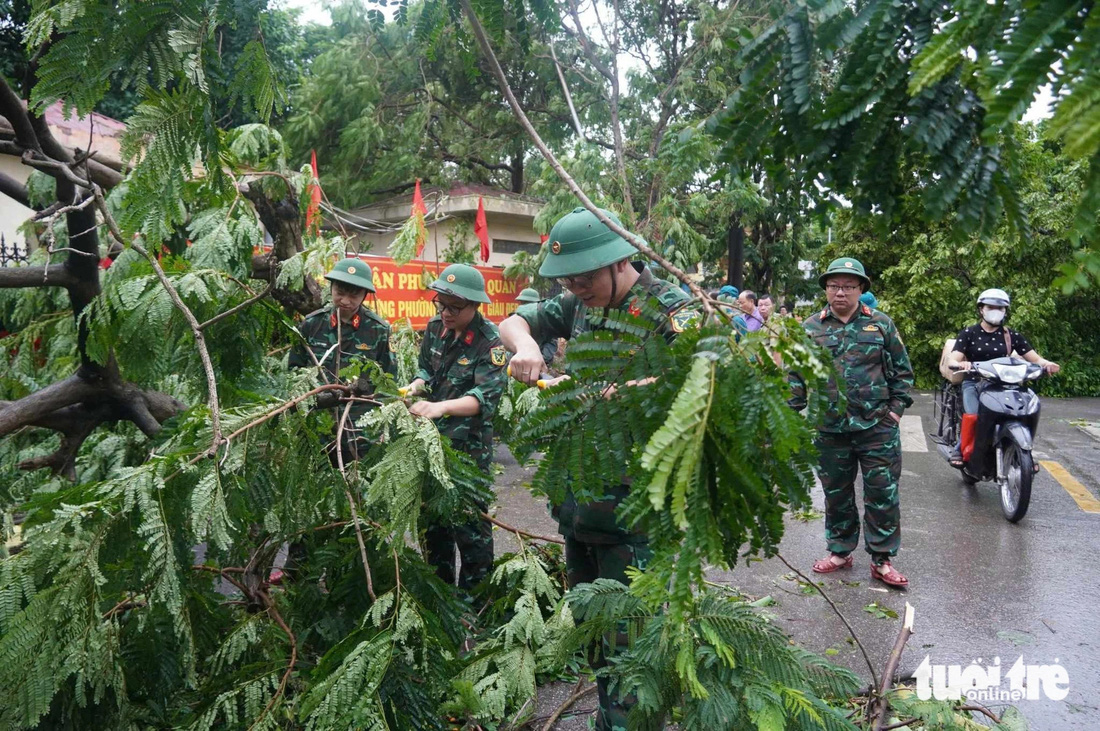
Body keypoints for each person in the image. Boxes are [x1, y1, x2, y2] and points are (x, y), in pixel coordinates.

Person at [499, 206, 695, 731]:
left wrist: (605, 395)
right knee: (595, 633)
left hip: (638, 514)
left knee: (635, 646)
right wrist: (525, 349)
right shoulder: (577, 303)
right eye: (568, 278)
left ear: (622, 259)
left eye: (584, 277)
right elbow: (514, 319)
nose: (575, 287)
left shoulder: (669, 309)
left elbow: (702, 380)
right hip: (583, 505)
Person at [789, 257, 913, 589]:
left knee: (882, 493)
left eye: (848, 286)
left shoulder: (882, 325)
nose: (840, 292)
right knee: (836, 493)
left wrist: (895, 412)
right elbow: (795, 377)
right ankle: (840, 550)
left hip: (876, 427)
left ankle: (882, 560)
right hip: (829, 428)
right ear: (826, 289)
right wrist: (790, 417)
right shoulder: (809, 328)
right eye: (834, 285)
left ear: (861, 289)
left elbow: (902, 372)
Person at [402, 264, 508, 592]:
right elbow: (425, 367)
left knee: (471, 528)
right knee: (433, 526)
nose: (445, 313)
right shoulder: (435, 328)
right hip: (431, 443)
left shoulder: (491, 343)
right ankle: (442, 598)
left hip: (468, 449)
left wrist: (440, 407)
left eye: (454, 307)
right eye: (440, 303)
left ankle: (476, 603)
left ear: (475, 306)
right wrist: (418, 384)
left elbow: (484, 397)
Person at [289, 257, 395, 458]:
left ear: (365, 295)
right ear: (331, 288)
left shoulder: (378, 330)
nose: (345, 301)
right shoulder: (312, 324)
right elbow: (294, 371)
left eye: (354, 295)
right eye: (340, 292)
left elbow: (389, 384)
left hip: (360, 433)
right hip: (317, 426)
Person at [946, 288, 1059, 465]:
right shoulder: (969, 333)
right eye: (991, 307)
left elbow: (1035, 358)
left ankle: (1024, 452)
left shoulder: (1011, 335)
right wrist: (961, 363)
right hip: (974, 382)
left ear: (1005, 311)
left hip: (1003, 385)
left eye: (1000, 308)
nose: (996, 311)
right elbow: (954, 357)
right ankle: (960, 449)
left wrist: (1047, 364)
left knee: (1022, 411)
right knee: (976, 415)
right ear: (981, 309)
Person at [515, 287, 559, 367]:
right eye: (523, 302)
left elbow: (551, 343)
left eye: (526, 302)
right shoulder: (517, 317)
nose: (523, 305)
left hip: (541, 365)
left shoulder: (545, 319)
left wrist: (541, 360)